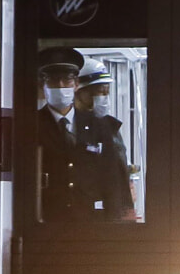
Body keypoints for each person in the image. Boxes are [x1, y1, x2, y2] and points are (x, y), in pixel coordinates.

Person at [36, 47, 134, 222]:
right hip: (48, 222)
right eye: (53, 81)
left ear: (75, 85)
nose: (60, 86)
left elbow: (111, 176)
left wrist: (116, 221)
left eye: (66, 81)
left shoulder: (99, 125)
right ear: (43, 87)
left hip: (91, 221)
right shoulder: (31, 125)